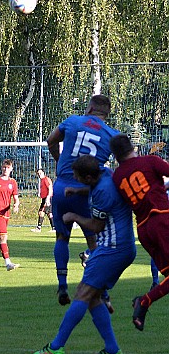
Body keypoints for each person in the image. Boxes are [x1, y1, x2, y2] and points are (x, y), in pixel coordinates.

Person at [33, 155, 136, 354]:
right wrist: (77, 191)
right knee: (93, 298)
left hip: (112, 249)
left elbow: (96, 226)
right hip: (121, 246)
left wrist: (73, 216)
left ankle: (56, 347)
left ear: (88, 176)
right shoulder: (105, 174)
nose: (76, 180)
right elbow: (91, 188)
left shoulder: (103, 193)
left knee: (82, 293)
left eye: (78, 178)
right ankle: (112, 349)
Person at [47, 94, 119, 305]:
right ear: (107, 114)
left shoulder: (72, 121)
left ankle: (62, 286)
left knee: (61, 237)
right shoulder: (111, 135)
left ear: (89, 108)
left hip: (62, 187)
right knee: (94, 242)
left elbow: (51, 140)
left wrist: (60, 162)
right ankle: (102, 292)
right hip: (89, 193)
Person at [110, 133, 169, 331]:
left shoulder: (117, 176)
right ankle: (144, 301)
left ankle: (143, 302)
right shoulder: (150, 161)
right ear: (132, 147)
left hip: (143, 229)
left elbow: (143, 189)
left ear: (116, 156)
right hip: (161, 219)